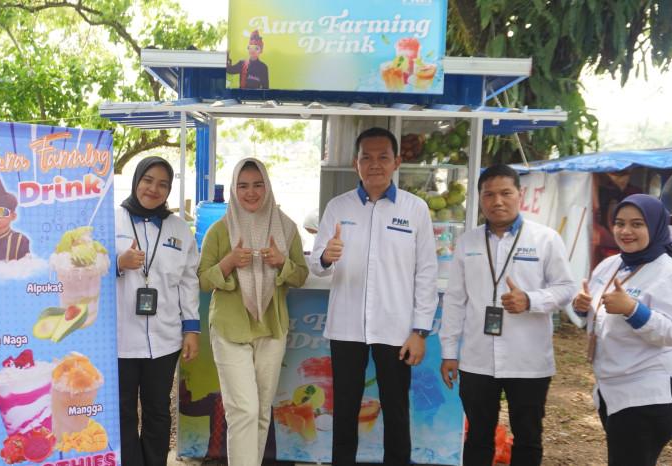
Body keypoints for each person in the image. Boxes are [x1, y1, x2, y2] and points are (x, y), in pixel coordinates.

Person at [311, 127, 439, 465]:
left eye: (383, 157)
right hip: (346, 327)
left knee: (396, 410)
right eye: (366, 157)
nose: (375, 164)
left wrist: (420, 330)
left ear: (397, 162)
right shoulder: (338, 207)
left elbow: (427, 273)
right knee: (344, 410)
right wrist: (326, 256)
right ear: (356, 163)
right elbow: (316, 266)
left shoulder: (415, 209)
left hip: (396, 328)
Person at [439, 164, 576, 466]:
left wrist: (531, 300)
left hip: (528, 360)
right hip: (477, 359)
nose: (497, 201)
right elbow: (455, 300)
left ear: (519, 195)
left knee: (528, 437)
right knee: (478, 436)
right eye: (489, 194)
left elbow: (566, 288)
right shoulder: (468, 242)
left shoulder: (545, 239)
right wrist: (449, 352)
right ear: (480, 198)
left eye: (505, 193)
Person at [572, 193, 672, 466]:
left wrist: (633, 309)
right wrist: (582, 306)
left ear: (655, 227)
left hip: (652, 390)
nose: (625, 231)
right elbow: (598, 306)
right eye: (619, 223)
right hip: (616, 385)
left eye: (637, 224)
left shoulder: (669, 274)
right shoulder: (611, 264)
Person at [198, 158, 308, 466]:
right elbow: (203, 280)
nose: (251, 192)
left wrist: (281, 262)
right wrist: (229, 262)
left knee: (260, 412)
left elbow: (301, 275)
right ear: (234, 190)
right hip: (230, 328)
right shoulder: (220, 231)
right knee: (243, 410)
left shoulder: (286, 228)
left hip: (271, 328)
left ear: (268, 187)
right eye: (243, 186)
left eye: (258, 185)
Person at [115, 156, 200, 466]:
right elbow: (86, 267)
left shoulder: (180, 228)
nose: (154, 189)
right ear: (136, 180)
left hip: (165, 339)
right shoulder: (112, 220)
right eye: (148, 180)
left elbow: (188, 281)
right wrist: (118, 264)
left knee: (158, 411)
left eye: (163, 184)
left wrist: (191, 329)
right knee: (123, 410)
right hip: (120, 337)